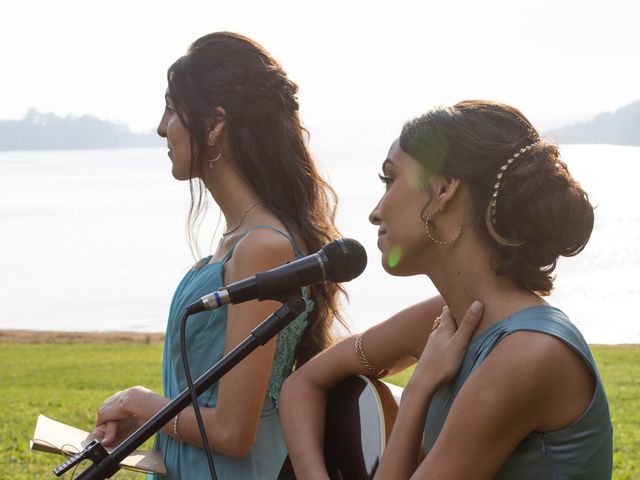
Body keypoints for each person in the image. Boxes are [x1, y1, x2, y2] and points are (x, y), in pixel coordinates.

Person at [280, 100, 613, 479]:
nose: (375, 211)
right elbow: (302, 385)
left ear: (442, 190)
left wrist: (418, 389)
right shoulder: (444, 319)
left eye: (390, 179)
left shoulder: (529, 353)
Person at [91, 32, 344, 479]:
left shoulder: (263, 249)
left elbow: (231, 432)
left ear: (214, 124)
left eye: (171, 108)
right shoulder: (238, 243)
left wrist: (138, 399)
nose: (160, 126)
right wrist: (146, 420)